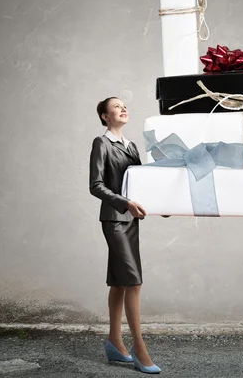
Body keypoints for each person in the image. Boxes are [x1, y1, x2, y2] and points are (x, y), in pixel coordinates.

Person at [89, 96, 161, 374]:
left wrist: (162, 205)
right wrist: (124, 202)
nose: (123, 108)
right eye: (116, 106)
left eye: (124, 105)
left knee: (119, 282)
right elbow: (95, 185)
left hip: (131, 220)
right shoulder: (102, 143)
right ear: (105, 116)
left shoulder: (131, 146)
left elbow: (141, 183)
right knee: (133, 282)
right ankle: (139, 349)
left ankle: (114, 342)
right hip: (114, 219)